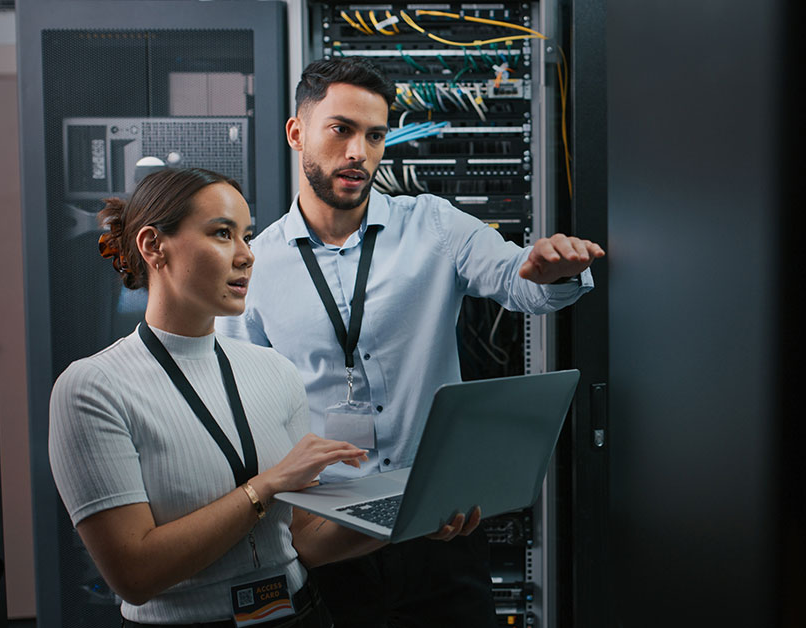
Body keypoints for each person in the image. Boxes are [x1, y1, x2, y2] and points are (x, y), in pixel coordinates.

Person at [216, 58, 604, 627]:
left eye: (375, 136)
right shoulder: (257, 263)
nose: (359, 153)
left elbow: (517, 280)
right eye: (341, 130)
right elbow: (242, 405)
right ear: (297, 133)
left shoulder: (435, 226)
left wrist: (550, 271)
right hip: (329, 533)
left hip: (439, 522)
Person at [48, 167, 478, 628]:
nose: (246, 256)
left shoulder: (274, 371)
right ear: (154, 246)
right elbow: (134, 575)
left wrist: (412, 516)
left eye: (247, 236)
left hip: (299, 614)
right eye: (221, 234)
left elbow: (306, 540)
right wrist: (266, 486)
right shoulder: (93, 388)